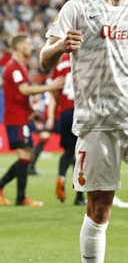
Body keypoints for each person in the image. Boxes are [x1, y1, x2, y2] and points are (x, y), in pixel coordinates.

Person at [39, 0, 128, 263]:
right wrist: (60, 45)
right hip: (97, 121)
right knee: (99, 208)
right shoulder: (76, 9)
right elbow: (43, 61)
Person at [0, 34, 63, 206]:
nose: (31, 47)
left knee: (27, 156)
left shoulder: (20, 67)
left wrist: (32, 113)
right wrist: (49, 86)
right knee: (25, 155)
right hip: (15, 118)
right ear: (20, 46)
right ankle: (20, 197)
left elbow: (19, 96)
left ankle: (0, 186)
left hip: (22, 116)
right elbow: (23, 90)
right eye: (29, 43)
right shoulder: (14, 67)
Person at [45, 53, 85, 205]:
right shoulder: (85, 60)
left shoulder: (60, 64)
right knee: (82, 154)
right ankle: (80, 197)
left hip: (65, 113)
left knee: (68, 151)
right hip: (82, 111)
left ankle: (61, 177)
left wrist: (57, 109)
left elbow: (54, 89)